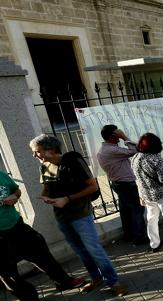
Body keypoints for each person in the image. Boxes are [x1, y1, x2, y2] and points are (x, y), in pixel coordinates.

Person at [29, 134, 127, 296]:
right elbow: (47, 186)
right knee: (81, 251)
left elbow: (93, 187)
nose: (34, 155)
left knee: (94, 250)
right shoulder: (44, 166)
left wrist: (67, 199)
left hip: (81, 215)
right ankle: (96, 278)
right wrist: (46, 196)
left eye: (37, 151)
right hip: (62, 217)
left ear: (51, 149)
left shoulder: (73, 161)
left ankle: (114, 281)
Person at [0, 171, 85, 300]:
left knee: (41, 252)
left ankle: (63, 281)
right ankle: (28, 296)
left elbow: (17, 191)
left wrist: (14, 197)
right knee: (8, 274)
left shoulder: (1, 175)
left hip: (17, 226)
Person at [96, 125, 148, 245]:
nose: (119, 136)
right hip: (126, 184)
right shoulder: (111, 150)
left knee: (126, 211)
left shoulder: (106, 149)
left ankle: (129, 235)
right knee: (137, 209)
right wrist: (125, 137)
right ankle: (139, 237)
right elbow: (136, 150)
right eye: (117, 134)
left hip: (119, 183)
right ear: (111, 136)